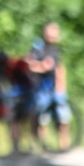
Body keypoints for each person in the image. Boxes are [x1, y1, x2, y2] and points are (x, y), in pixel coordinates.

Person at [29, 21, 73, 151]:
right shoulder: (38, 47)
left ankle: (64, 145)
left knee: (63, 117)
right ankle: (43, 147)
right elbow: (30, 64)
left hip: (56, 89)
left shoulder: (56, 49)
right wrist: (42, 66)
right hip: (42, 88)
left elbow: (60, 68)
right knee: (43, 119)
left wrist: (62, 86)